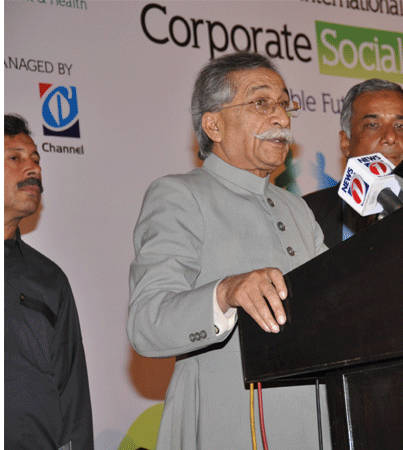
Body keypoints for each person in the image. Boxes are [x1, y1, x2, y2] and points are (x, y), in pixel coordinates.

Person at [127, 52, 329, 449]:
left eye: (284, 104)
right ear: (214, 125)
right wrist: (224, 293)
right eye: (261, 103)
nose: (281, 118)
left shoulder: (297, 208)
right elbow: (146, 323)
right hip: (228, 426)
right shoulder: (180, 195)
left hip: (316, 424)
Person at [4, 114, 94, 450]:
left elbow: (72, 395)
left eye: (36, 159)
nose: (33, 169)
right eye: (15, 158)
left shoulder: (49, 279)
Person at [303, 78, 403, 247]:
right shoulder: (305, 213)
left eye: (400, 126)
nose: (390, 137)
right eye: (373, 125)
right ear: (346, 142)